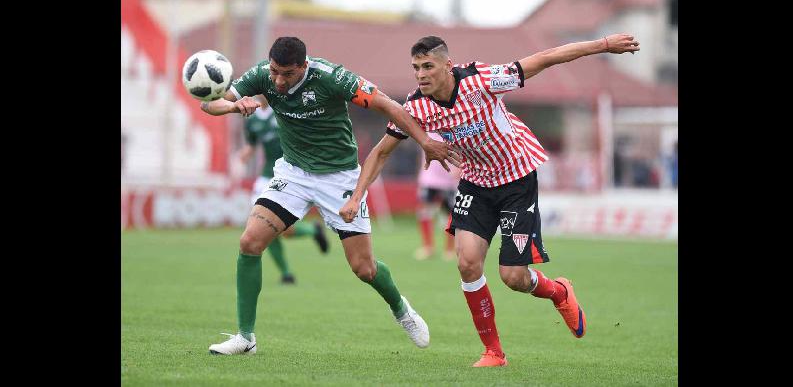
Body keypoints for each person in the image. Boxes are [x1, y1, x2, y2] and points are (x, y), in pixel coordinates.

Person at [340, 34, 640, 367]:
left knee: (514, 278)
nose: (421, 74)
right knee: (467, 264)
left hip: (517, 178)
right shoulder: (415, 108)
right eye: (415, 68)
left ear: (447, 66)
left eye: (428, 66)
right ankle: (494, 352)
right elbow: (381, 153)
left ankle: (559, 292)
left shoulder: (481, 80)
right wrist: (356, 196)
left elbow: (547, 56)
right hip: (475, 184)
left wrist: (604, 45)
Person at [199, 36, 460, 355]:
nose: (279, 81)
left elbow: (389, 106)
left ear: (304, 67)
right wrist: (233, 105)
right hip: (293, 174)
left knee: (364, 268)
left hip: (339, 178)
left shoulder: (332, 78)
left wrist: (424, 142)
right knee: (249, 243)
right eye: (275, 72)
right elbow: (210, 102)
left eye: (288, 74)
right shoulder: (261, 75)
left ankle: (401, 309)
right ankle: (245, 337)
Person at [238, 107, 330, 285]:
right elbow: (252, 145)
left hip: (289, 175)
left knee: (284, 231)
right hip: (266, 177)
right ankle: (286, 273)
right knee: (261, 227)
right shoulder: (253, 120)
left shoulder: (285, 110)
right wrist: (244, 155)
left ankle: (313, 230)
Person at [414, 132, 459, 261]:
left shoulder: (455, 126)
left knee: (453, 213)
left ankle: (449, 250)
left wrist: (460, 169)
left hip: (450, 178)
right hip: (429, 177)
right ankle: (428, 247)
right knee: (424, 210)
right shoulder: (426, 127)